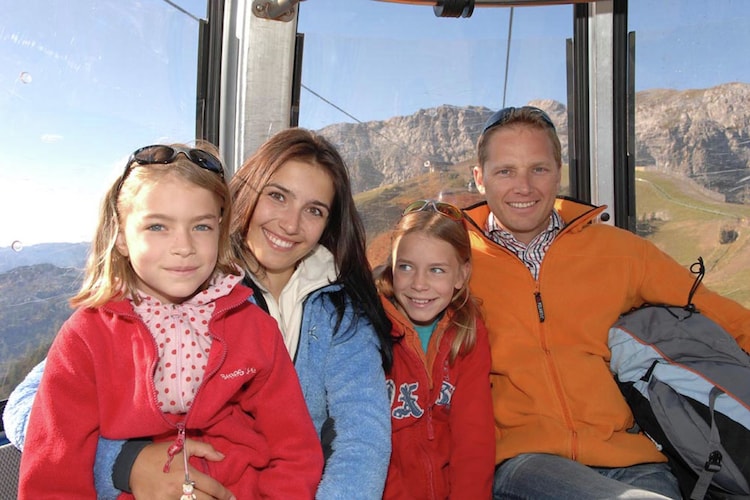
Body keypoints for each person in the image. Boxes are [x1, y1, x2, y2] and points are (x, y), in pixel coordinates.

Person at [5, 128, 393, 500]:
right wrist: (126, 464)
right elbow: (37, 419)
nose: (290, 223)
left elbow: (357, 438)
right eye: (277, 196)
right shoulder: (104, 326)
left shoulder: (328, 317)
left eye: (314, 210)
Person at [464, 105, 750, 499]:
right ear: (480, 179)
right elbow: (394, 308)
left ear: (558, 172)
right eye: (505, 171)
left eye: (539, 169)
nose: (524, 187)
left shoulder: (619, 251)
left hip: (636, 461)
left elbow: (719, 312)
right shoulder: (455, 261)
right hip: (526, 462)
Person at [376, 200, 494, 500]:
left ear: (461, 275)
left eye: (437, 270)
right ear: (391, 266)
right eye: (406, 267)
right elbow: (368, 443)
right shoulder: (370, 329)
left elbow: (473, 440)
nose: (419, 284)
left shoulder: (467, 333)